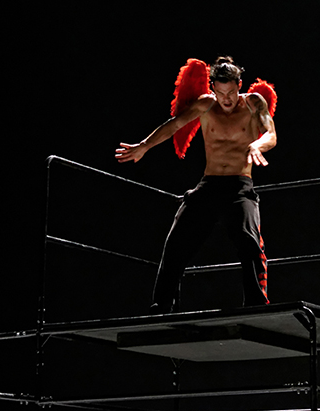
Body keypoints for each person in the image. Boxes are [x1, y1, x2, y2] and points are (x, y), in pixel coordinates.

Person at [115, 56, 276, 314]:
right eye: (221, 93)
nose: (226, 99)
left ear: (239, 85)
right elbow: (174, 124)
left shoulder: (253, 103)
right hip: (209, 185)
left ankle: (256, 306)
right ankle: (162, 305)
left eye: (231, 93)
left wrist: (258, 144)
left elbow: (271, 132)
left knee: (249, 241)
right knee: (176, 241)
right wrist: (144, 146)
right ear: (213, 88)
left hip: (239, 186)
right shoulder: (206, 104)